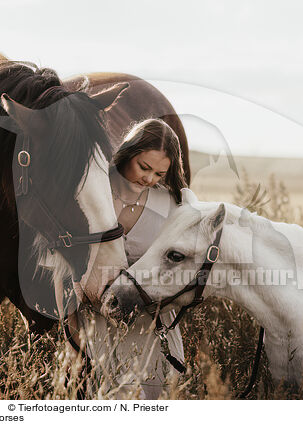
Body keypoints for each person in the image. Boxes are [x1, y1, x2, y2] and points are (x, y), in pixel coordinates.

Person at [82, 118, 188, 398]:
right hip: (97, 329)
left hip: (153, 331)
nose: (150, 179)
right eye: (144, 167)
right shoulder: (93, 191)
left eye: (159, 174)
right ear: (129, 152)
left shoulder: (172, 205)